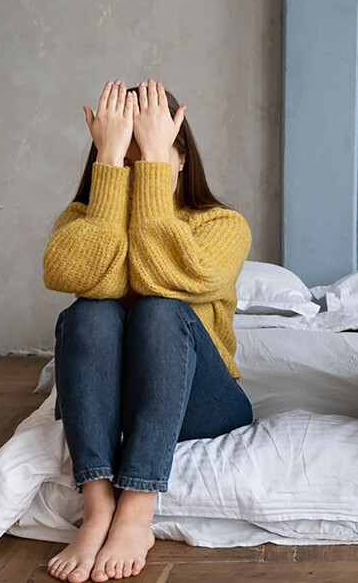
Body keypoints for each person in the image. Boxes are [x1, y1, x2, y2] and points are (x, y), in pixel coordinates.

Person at [42, 79, 253, 582]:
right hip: (111, 398)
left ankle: (136, 509)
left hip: (203, 401)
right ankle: (97, 509)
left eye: (154, 158)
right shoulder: (81, 218)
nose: (141, 175)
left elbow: (164, 277)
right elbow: (81, 278)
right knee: (89, 311)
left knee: (160, 308)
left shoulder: (223, 224)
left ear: (180, 160)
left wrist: (149, 169)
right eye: (126, 162)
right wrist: (109, 165)